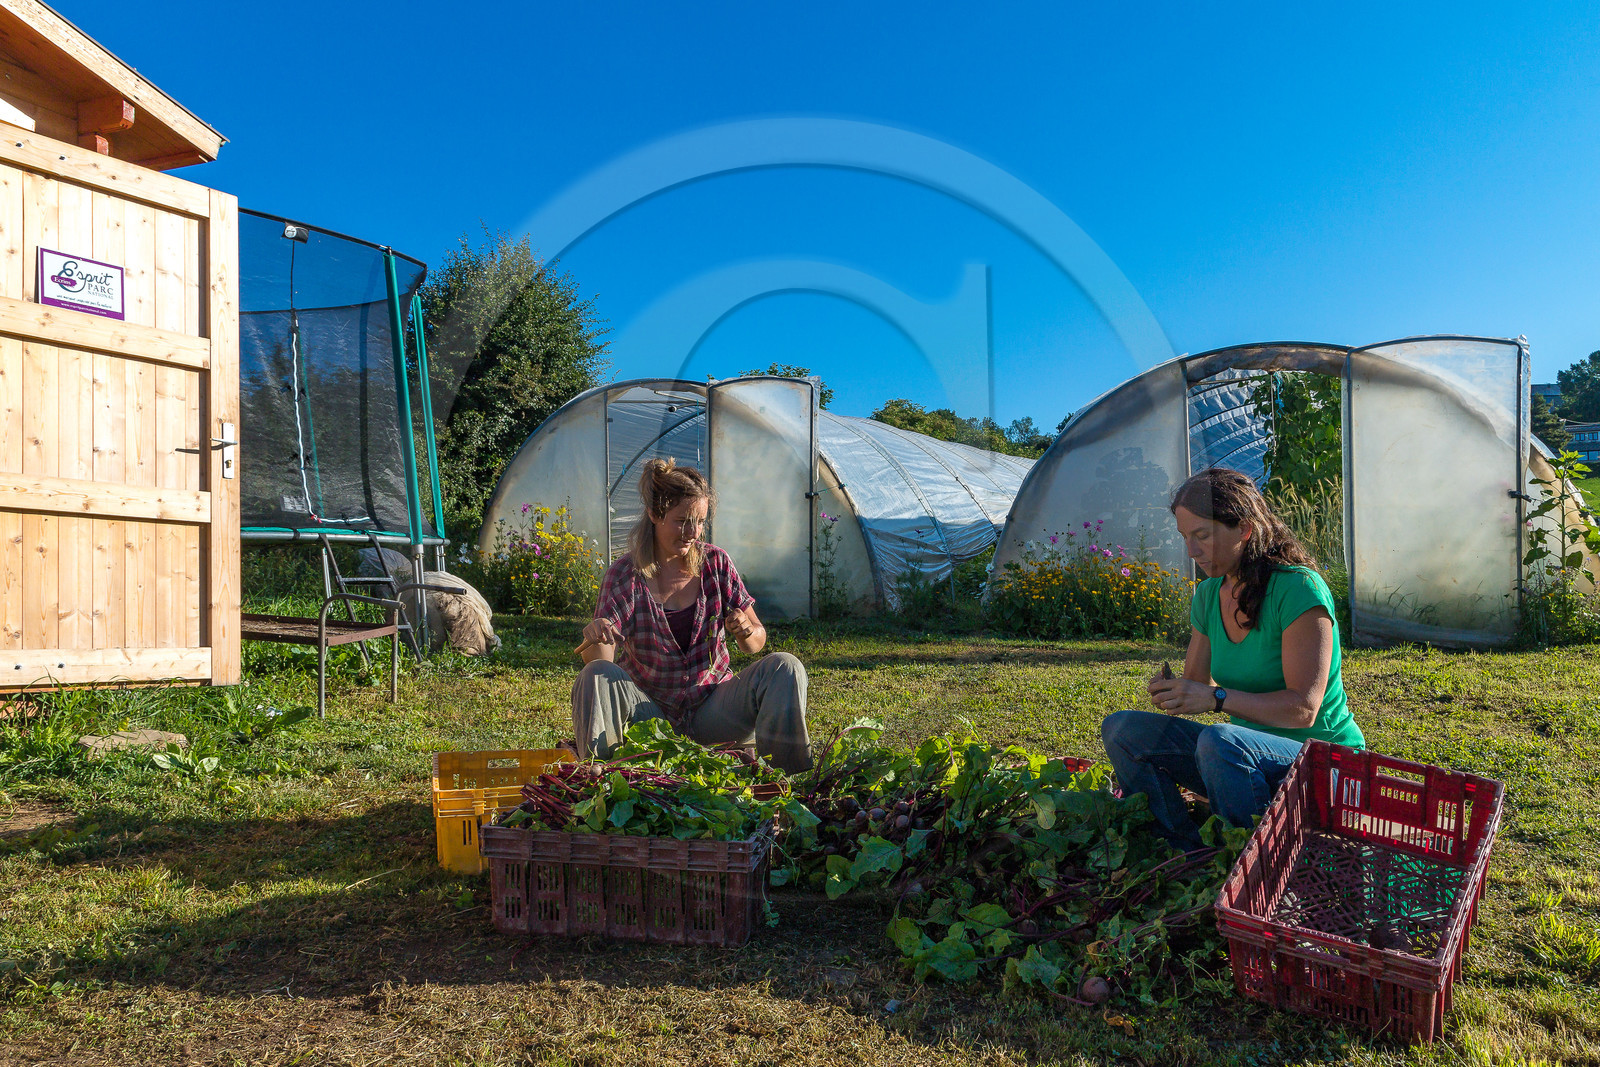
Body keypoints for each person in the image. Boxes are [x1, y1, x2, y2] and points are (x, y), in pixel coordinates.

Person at [1100, 467, 1363, 849]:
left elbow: (1302, 710)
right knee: (1122, 730)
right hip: (1236, 758)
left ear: (1243, 529)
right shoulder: (1208, 595)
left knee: (1220, 741)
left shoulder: (1298, 588)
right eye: (1186, 538)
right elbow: (1198, 686)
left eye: (1202, 535)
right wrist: (1176, 691)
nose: (1192, 550)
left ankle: (1250, 861)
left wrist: (1216, 699)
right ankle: (1184, 852)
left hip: (1323, 764)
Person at [571, 457, 812, 772]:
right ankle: (602, 783)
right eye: (681, 521)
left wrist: (746, 631)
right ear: (654, 515)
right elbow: (600, 660)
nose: (692, 532)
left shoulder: (716, 563)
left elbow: (756, 643)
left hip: (713, 711)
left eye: (699, 521)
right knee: (594, 675)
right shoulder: (624, 575)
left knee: (786, 667)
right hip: (650, 718)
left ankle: (782, 784)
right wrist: (597, 633)